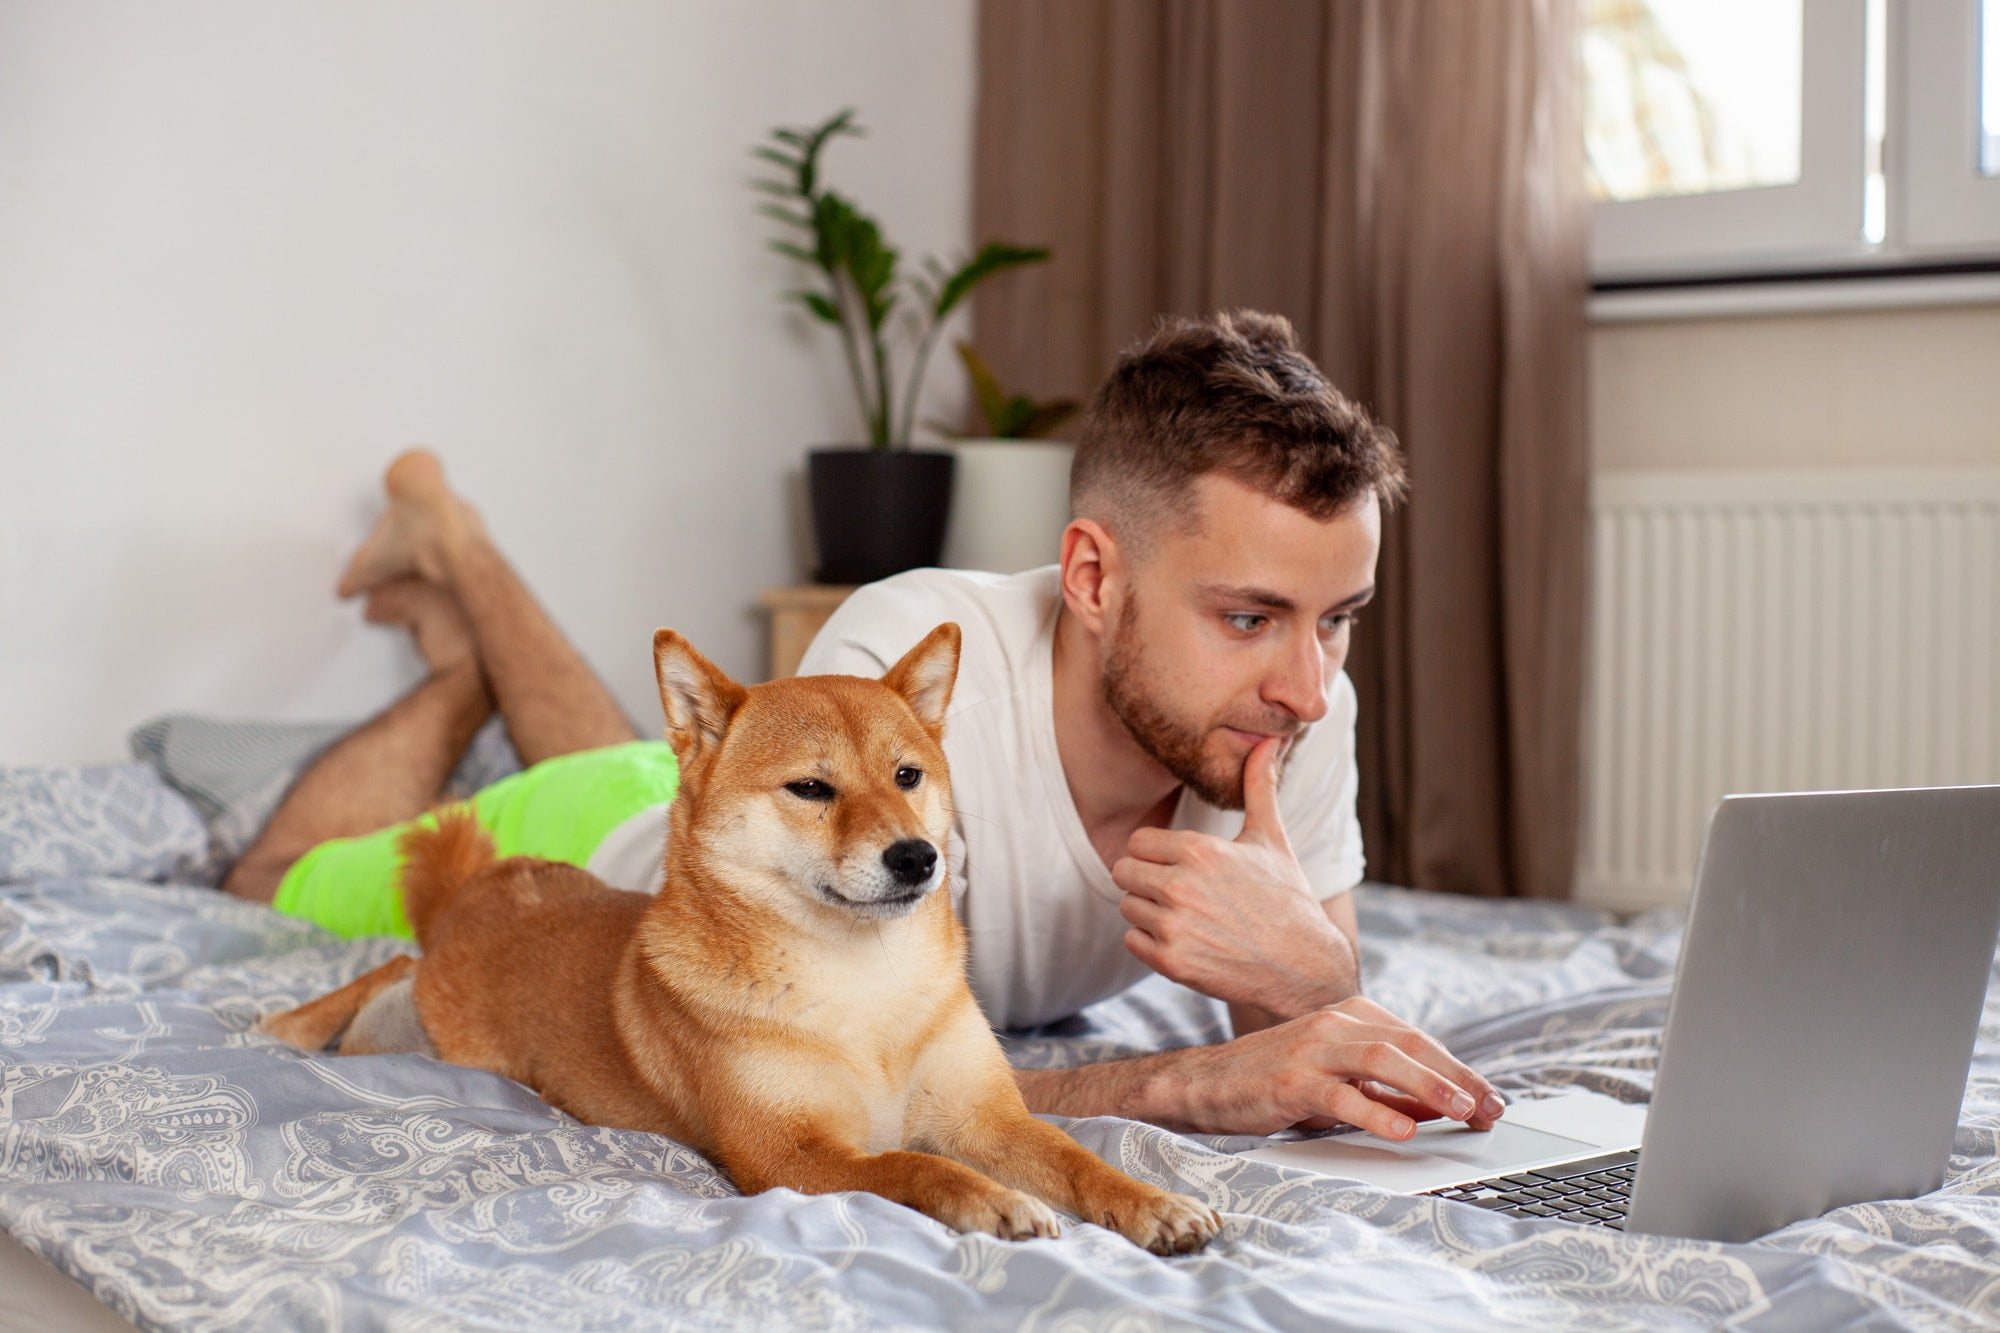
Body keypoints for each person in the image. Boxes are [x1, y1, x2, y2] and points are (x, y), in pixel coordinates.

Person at [228, 309, 1505, 1142]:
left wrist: (1314, 980)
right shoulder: (896, 671)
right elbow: (869, 1102)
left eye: (1338, 617)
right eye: (1247, 617)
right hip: (592, 874)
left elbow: (1298, 1039)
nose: (1308, 680)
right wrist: (1172, 1085)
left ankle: (456, 560)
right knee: (269, 878)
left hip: (678, 776)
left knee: (604, 739)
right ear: (1095, 577)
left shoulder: (1288, 704)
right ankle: (456, 648)